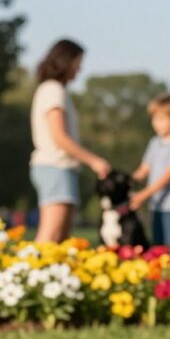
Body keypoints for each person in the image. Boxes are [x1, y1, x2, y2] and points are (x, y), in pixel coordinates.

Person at [30, 39, 110, 243]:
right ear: (65, 62)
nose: (79, 69)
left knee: (61, 237)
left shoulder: (57, 91)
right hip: (54, 166)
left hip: (62, 168)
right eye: (77, 63)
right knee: (51, 234)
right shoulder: (52, 90)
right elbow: (60, 137)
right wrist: (94, 161)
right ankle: (27, 274)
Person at [130, 94, 170, 260]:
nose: (155, 123)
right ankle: (162, 283)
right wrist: (124, 181)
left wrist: (144, 194)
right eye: (154, 119)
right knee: (159, 247)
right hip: (156, 205)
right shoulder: (154, 143)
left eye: (160, 119)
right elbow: (143, 170)